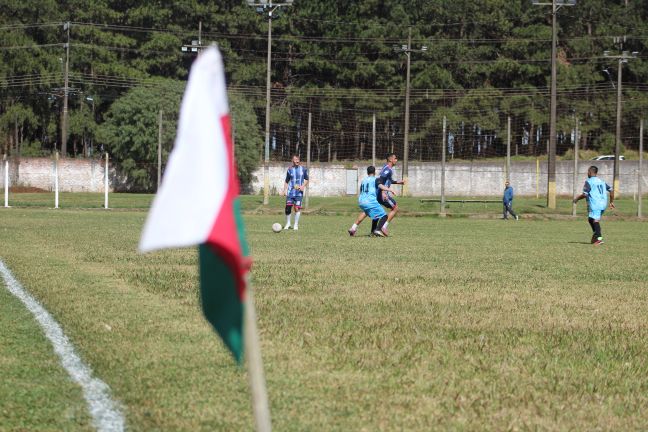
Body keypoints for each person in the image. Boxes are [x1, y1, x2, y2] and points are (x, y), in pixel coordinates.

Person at [348, 153, 406, 236]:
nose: (396, 160)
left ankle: (355, 228)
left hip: (362, 199)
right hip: (377, 196)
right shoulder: (387, 170)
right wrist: (383, 192)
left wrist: (398, 182)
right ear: (391, 160)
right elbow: (381, 182)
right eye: (395, 158)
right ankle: (382, 228)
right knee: (394, 208)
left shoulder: (365, 179)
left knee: (370, 212)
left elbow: (386, 180)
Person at [573, 165, 615, 245]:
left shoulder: (589, 181)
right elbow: (611, 190)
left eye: (588, 172)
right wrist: (611, 202)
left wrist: (577, 199)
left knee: (595, 220)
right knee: (590, 218)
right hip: (603, 204)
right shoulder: (601, 181)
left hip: (595, 204)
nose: (587, 173)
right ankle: (596, 233)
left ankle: (599, 239)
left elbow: (585, 194)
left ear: (589, 172)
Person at [351, 166, 395, 237]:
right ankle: (377, 230)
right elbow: (380, 185)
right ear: (375, 172)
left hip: (361, 201)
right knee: (384, 216)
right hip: (370, 201)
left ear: (367, 172)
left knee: (375, 216)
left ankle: (369, 231)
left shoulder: (363, 180)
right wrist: (389, 189)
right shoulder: (375, 179)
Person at [282, 154, 309, 231]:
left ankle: (296, 224)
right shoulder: (289, 169)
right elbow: (286, 181)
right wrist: (284, 190)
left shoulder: (303, 169)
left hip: (299, 193)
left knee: (297, 208)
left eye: (298, 159)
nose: (297, 161)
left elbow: (307, 179)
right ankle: (288, 223)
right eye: (295, 159)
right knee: (288, 208)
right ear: (292, 161)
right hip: (290, 192)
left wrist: (303, 186)